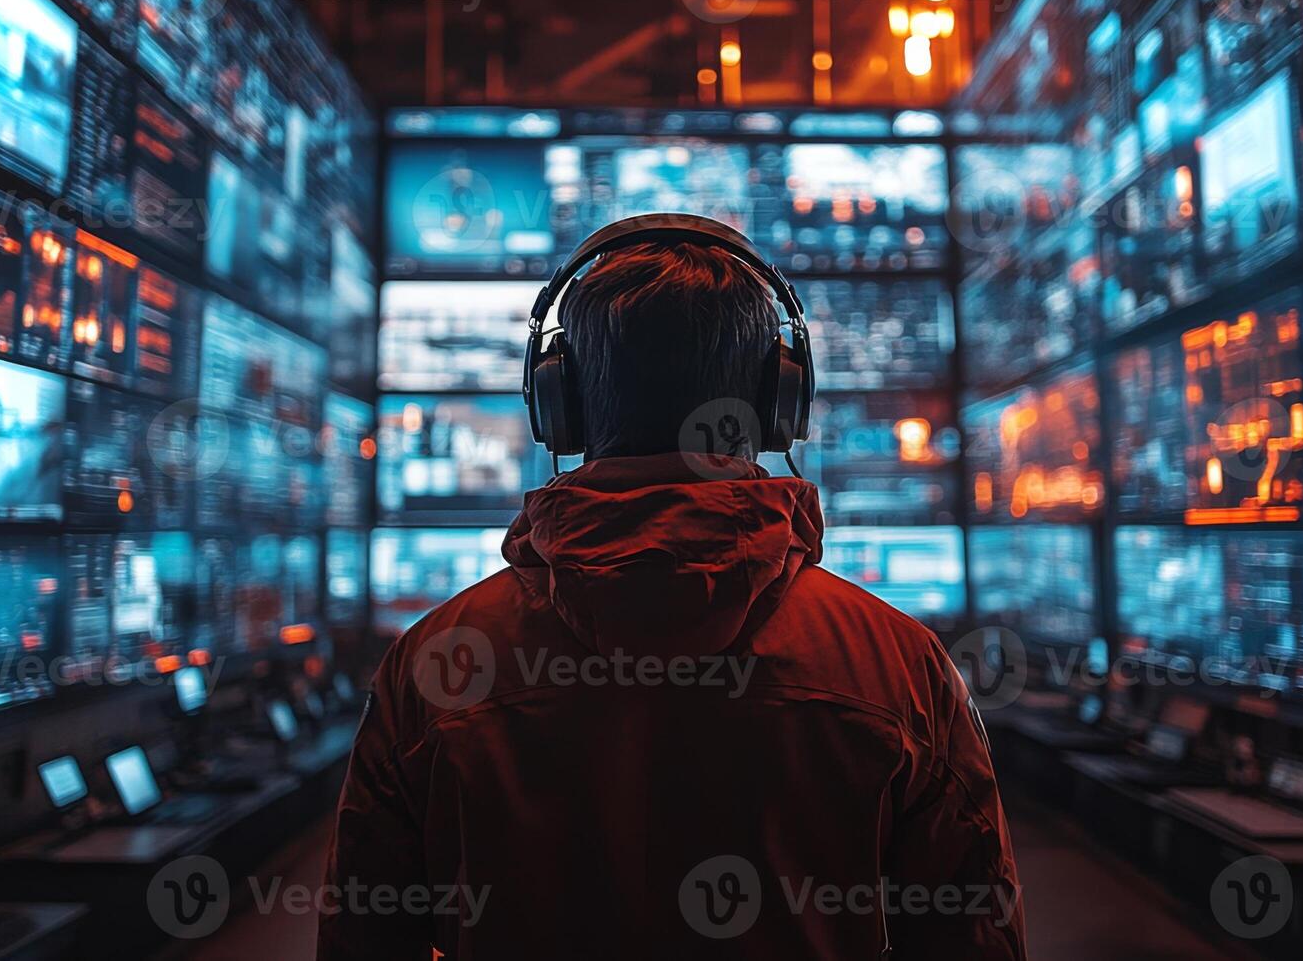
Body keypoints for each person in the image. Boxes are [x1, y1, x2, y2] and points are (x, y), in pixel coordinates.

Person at [319, 217, 1025, 959]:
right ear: (779, 402)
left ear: (557, 403)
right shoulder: (898, 664)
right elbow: (974, 937)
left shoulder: (432, 666)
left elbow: (362, 939)